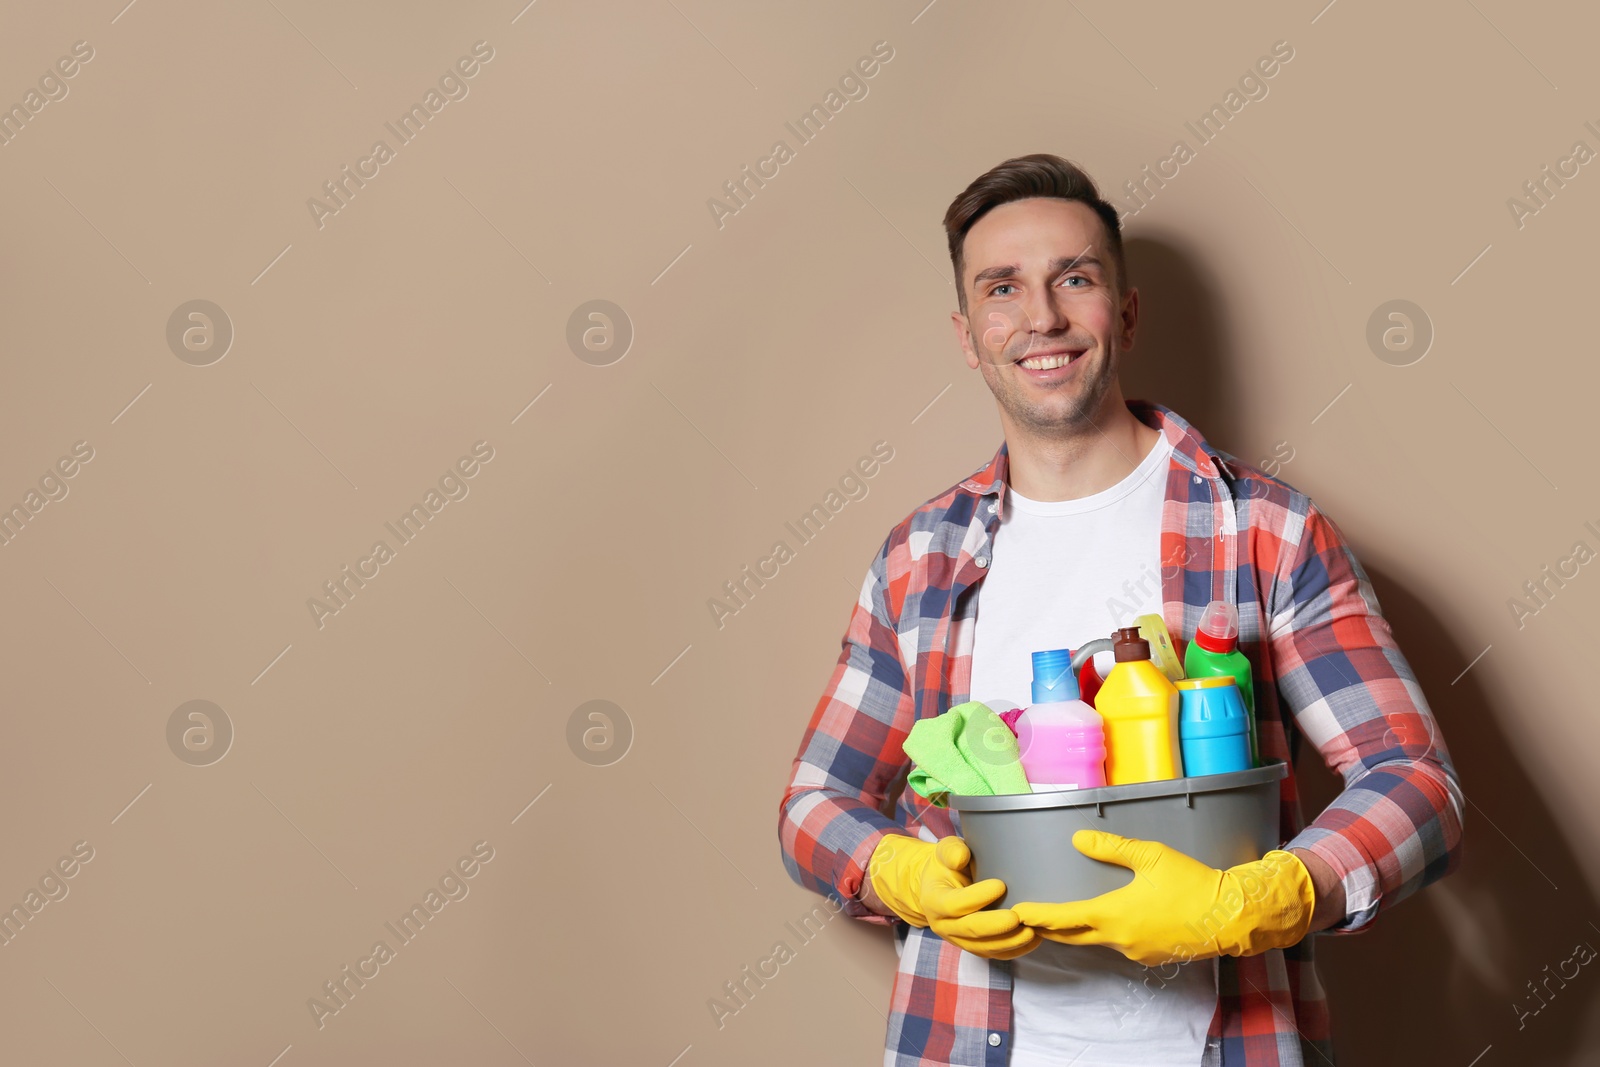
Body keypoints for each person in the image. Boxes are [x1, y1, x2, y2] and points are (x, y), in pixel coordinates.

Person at [776, 153, 1463, 1067]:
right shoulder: (920, 561)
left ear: (1126, 312)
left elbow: (1417, 781)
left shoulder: (1267, 532)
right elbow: (812, 803)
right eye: (1003, 289)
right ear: (968, 333)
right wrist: (897, 872)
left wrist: (1267, 896)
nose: (1042, 318)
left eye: (1075, 278)